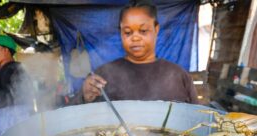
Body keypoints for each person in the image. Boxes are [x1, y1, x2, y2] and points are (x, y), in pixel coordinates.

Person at [69, 0, 198, 105]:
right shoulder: (103, 76)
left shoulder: (178, 76)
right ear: (120, 32)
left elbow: (195, 118)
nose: (135, 38)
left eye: (143, 31)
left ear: (156, 29)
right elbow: (75, 118)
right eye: (128, 32)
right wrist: (84, 96)